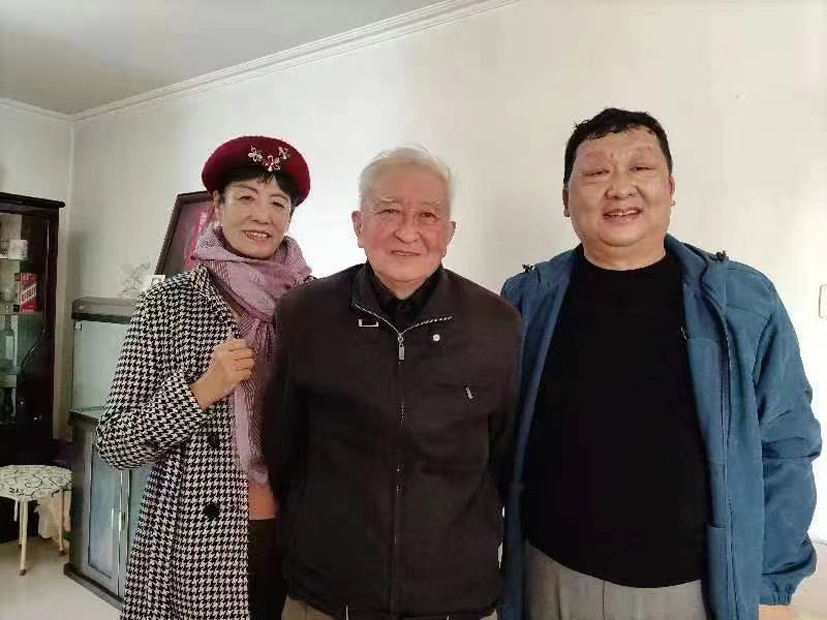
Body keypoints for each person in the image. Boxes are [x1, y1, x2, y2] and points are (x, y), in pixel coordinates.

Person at [500, 108, 822, 620]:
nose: (619, 188)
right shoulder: (527, 299)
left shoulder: (742, 302)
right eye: (596, 172)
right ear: (565, 199)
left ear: (670, 188)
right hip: (550, 571)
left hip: (690, 584)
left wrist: (770, 587)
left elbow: (785, 444)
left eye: (640, 168)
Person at [263, 147, 521, 620]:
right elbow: (282, 447)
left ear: (449, 232)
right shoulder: (305, 314)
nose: (407, 232)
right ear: (358, 224)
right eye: (389, 212)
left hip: (456, 599)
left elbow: (504, 459)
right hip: (325, 594)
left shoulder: (497, 323)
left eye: (428, 215)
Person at [96, 135, 313, 620]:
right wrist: (199, 392)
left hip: (298, 531)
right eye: (247, 197)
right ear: (217, 203)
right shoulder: (169, 303)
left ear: (290, 217)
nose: (263, 215)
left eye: (278, 203)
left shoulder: (313, 305)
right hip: (195, 544)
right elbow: (114, 444)